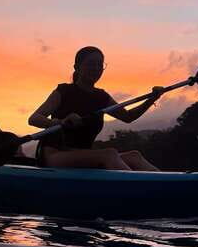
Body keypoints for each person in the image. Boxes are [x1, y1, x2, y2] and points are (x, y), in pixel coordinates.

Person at [28, 46, 162, 170]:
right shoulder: (64, 91)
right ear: (77, 67)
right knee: (109, 154)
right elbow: (34, 119)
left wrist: (152, 99)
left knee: (134, 156)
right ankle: (136, 187)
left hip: (82, 154)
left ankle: (163, 184)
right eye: (91, 64)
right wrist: (60, 122)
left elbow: (128, 117)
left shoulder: (101, 96)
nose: (96, 68)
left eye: (100, 65)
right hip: (55, 155)